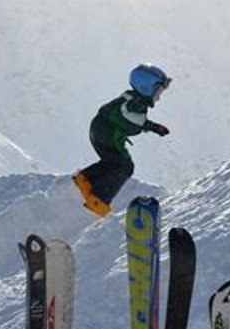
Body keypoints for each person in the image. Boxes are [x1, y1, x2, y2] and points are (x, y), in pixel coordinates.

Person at [73, 64, 171, 216]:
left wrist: (154, 127)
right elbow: (133, 120)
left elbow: (132, 119)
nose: (158, 97)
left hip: (98, 129)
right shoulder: (137, 104)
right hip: (108, 134)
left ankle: (85, 179)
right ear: (147, 88)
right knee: (125, 166)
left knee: (111, 162)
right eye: (158, 91)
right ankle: (98, 199)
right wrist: (149, 126)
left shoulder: (130, 97)